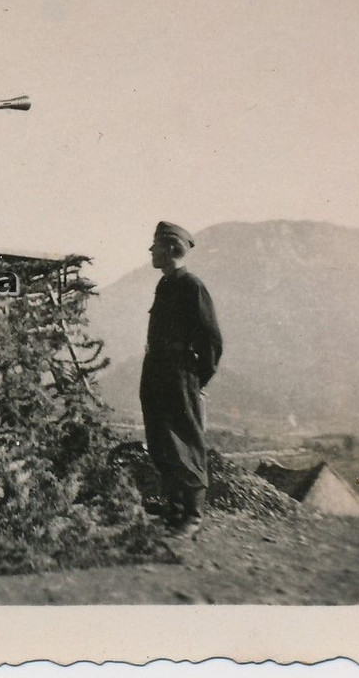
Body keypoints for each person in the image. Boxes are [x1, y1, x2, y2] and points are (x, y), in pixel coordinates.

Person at [139, 221, 223, 538]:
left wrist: (195, 379)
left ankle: (192, 515)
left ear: (172, 249)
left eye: (156, 245)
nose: (151, 251)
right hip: (156, 369)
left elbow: (212, 340)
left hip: (178, 372)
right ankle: (174, 509)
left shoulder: (192, 286)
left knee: (186, 441)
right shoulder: (164, 285)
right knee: (160, 440)